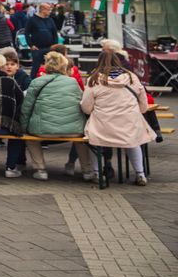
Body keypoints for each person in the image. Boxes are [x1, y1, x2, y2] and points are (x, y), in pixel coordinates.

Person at [81, 49, 154, 185]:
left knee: (93, 143)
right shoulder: (131, 77)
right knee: (133, 141)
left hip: (103, 125)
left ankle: (97, 173)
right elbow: (143, 103)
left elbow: (86, 107)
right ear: (118, 60)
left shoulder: (94, 79)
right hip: (129, 122)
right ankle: (140, 174)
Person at [21, 51, 93, 181]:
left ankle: (41, 169)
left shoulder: (37, 82)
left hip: (42, 130)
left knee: (30, 139)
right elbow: (81, 104)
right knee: (81, 142)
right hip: (73, 130)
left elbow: (26, 107)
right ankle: (87, 171)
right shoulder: (72, 82)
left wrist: (24, 127)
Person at [24, 3, 58, 79]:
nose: (50, 11)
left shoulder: (50, 20)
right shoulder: (32, 20)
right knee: (36, 67)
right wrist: (31, 45)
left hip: (50, 48)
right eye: (48, 10)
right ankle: (32, 82)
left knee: (51, 67)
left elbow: (54, 33)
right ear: (43, 10)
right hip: (37, 48)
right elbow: (26, 33)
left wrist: (55, 46)